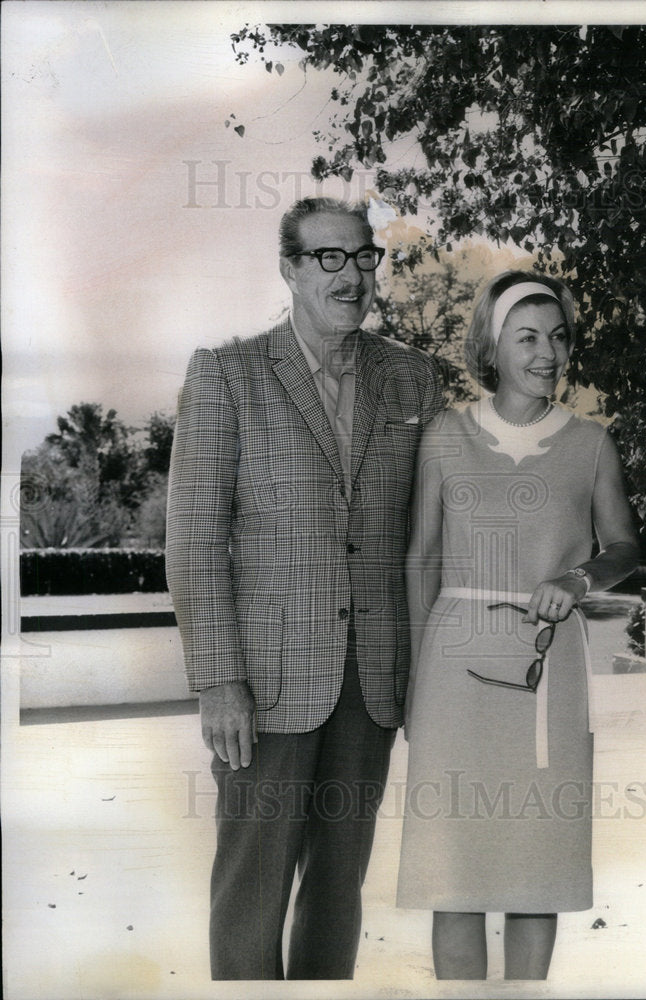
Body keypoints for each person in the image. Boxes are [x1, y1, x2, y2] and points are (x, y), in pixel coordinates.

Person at [166, 196, 444, 980]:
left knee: (338, 891)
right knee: (252, 891)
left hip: (374, 682)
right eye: (330, 257)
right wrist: (219, 679)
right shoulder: (227, 376)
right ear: (289, 269)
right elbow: (191, 539)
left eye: (363, 257)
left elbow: (429, 534)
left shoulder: (411, 378)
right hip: (266, 682)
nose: (351, 275)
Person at [396, 270, 639, 980]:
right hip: (453, 672)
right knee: (456, 872)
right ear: (491, 348)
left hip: (547, 669)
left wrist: (578, 579)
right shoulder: (444, 435)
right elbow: (422, 557)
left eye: (558, 338)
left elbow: (623, 547)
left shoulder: (592, 443)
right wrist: (417, 684)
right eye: (527, 337)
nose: (548, 354)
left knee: (539, 863)